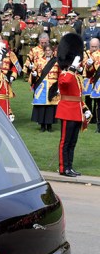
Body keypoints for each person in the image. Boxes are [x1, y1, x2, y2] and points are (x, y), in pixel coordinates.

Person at [55, 33, 89, 176]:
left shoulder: (75, 75)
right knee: (65, 142)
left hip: (76, 111)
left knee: (72, 142)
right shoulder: (65, 73)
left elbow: (78, 96)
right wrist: (73, 67)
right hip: (67, 111)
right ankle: (63, 168)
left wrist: (85, 109)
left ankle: (70, 167)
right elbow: (65, 82)